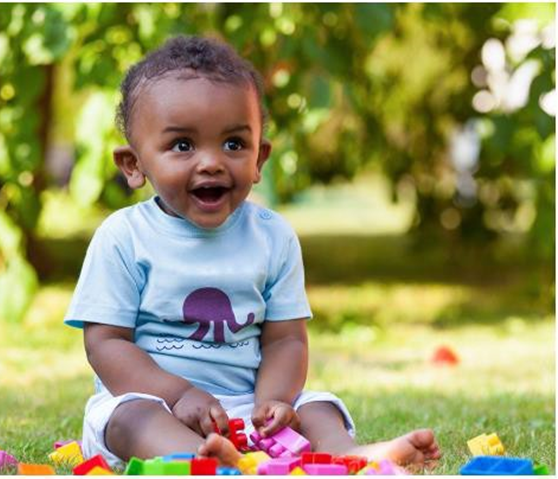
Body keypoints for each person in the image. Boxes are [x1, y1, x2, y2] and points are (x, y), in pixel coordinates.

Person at [64, 35, 441, 470]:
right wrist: (179, 394)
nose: (211, 163)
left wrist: (273, 402)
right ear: (134, 165)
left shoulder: (272, 238)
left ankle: (352, 457)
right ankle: (200, 461)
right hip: (156, 404)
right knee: (131, 418)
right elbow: (107, 343)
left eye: (233, 144)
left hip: (246, 407)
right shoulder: (124, 237)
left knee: (319, 406)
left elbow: (285, 339)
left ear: (259, 157)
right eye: (183, 145)